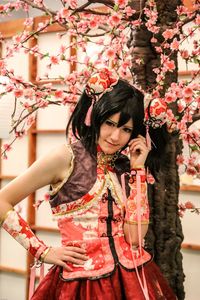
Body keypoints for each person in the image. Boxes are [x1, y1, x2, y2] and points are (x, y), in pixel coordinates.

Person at [0, 68, 176, 300]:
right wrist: (42, 251)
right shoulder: (66, 157)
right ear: (96, 116)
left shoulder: (127, 166)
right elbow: (2, 200)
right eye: (110, 124)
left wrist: (138, 170)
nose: (115, 136)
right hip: (79, 281)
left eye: (125, 129)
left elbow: (134, 239)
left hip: (131, 280)